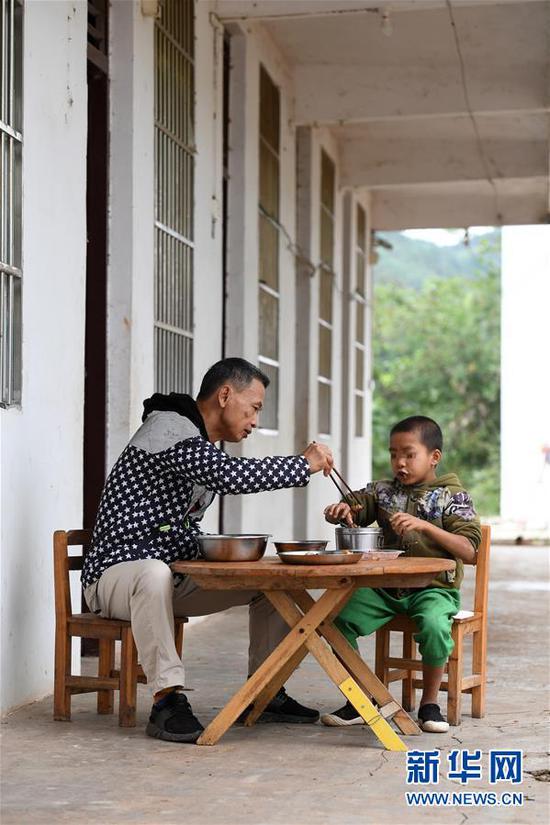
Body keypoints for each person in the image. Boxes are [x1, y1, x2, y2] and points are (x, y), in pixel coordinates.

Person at [82, 358, 333, 743]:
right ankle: (167, 700)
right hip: (116, 577)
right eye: (254, 408)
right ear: (225, 395)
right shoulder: (167, 428)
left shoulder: (198, 444)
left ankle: (263, 692)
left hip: (172, 575)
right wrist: (302, 464)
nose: (254, 420)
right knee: (152, 571)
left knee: (274, 582)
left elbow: (187, 516)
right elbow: (230, 477)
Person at [321, 415, 481, 733]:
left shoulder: (454, 497)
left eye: (409, 454)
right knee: (332, 621)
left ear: (434, 457)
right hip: (385, 588)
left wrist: (425, 526)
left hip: (433, 589)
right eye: (394, 454)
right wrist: (341, 510)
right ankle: (361, 698)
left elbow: (469, 550)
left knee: (436, 627)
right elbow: (357, 505)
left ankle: (430, 704)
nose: (400, 462)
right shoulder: (383, 492)